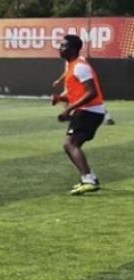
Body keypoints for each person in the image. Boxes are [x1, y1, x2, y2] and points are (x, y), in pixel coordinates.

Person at [53, 35, 106, 195]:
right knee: (71, 145)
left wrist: (68, 109)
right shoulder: (71, 65)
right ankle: (88, 178)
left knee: (70, 144)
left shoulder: (79, 67)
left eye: (63, 46)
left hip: (90, 111)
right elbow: (79, 94)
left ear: (73, 49)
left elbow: (91, 93)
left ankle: (89, 179)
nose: (60, 49)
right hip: (87, 110)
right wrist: (61, 98)